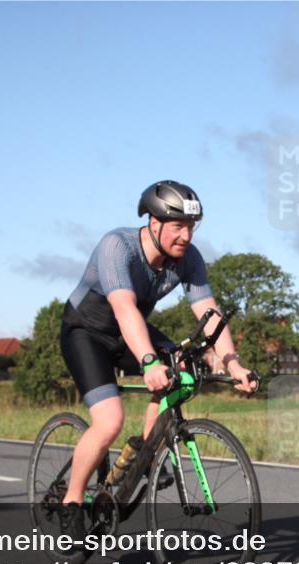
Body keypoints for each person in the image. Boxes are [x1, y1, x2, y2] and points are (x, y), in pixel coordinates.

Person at [56, 180, 256, 539]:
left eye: (191, 227)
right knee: (109, 421)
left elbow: (208, 311)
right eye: (178, 226)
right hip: (87, 332)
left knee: (181, 368)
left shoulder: (187, 258)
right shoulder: (118, 247)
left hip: (129, 331)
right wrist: (149, 361)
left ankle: (144, 453)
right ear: (153, 222)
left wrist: (233, 363)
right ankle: (71, 501)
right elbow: (124, 307)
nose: (186, 236)